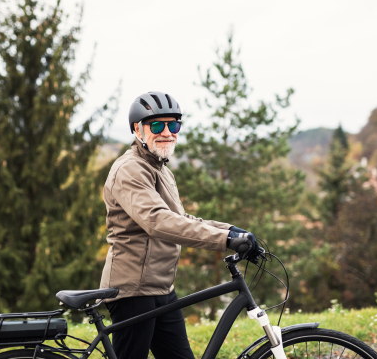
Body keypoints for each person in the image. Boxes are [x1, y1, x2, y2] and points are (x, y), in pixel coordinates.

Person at [99, 92, 259, 359]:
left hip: (162, 288)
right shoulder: (129, 169)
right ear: (137, 129)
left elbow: (182, 219)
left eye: (173, 125)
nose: (167, 133)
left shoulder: (161, 169)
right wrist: (224, 241)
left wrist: (231, 231)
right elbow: (159, 221)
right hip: (134, 290)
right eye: (157, 125)